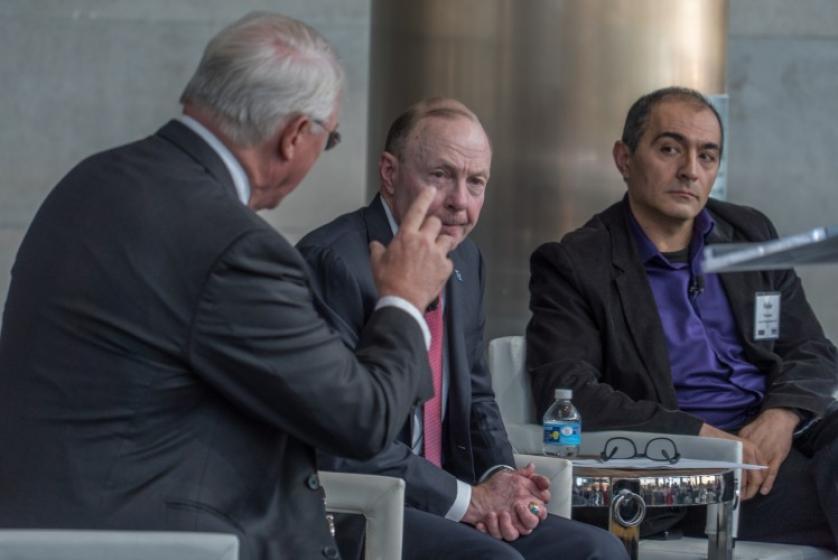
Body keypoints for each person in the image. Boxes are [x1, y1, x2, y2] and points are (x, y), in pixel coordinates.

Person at [0, 12, 458, 560]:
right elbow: (361, 419)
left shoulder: (88, 181)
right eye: (329, 139)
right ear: (294, 136)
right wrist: (404, 299)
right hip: (169, 542)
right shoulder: (233, 246)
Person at [298, 98, 628, 560]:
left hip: (447, 496)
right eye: (441, 175)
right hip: (362, 505)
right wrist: (467, 500)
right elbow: (343, 440)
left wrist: (501, 479)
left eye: (476, 182)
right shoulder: (333, 260)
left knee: (598, 550)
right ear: (390, 173)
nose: (460, 201)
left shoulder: (466, 260)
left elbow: (477, 397)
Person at [526, 85, 838, 550]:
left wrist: (782, 415)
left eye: (707, 156)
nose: (690, 170)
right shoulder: (577, 263)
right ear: (624, 158)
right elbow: (569, 392)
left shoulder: (748, 232)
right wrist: (703, 437)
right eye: (670, 149)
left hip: (787, 435)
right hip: (690, 468)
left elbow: (810, 347)